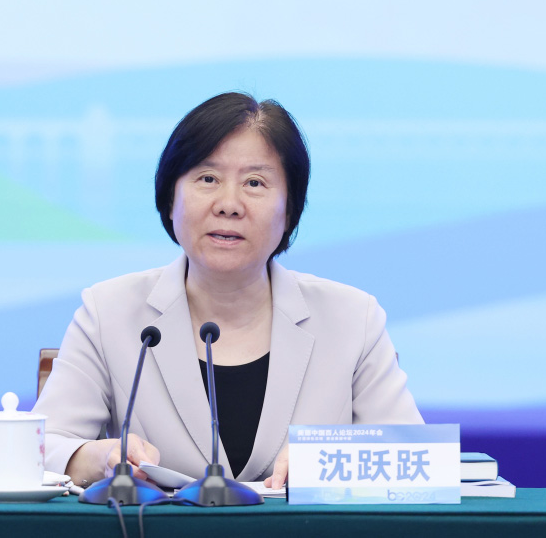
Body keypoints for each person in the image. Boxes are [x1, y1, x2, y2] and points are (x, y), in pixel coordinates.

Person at [32, 92, 422, 490]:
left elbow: (419, 460)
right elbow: (42, 450)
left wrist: (329, 458)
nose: (229, 204)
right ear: (170, 198)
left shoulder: (352, 318)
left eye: (254, 183)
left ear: (290, 210)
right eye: (208, 179)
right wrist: (100, 458)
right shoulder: (109, 312)